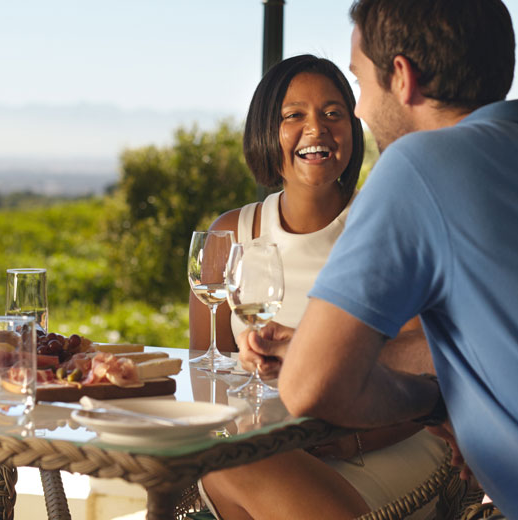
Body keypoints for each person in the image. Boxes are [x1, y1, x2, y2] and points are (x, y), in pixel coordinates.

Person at [248, 0, 518, 520]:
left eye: (359, 84)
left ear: (402, 78)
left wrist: (432, 399)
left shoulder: (422, 163)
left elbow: (309, 387)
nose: (359, 109)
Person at [189, 54, 450, 520]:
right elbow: (206, 375)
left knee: (234, 466)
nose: (317, 129)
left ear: (352, 129)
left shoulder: (388, 225)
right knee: (230, 463)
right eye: (295, 116)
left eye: (333, 114)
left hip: (384, 444)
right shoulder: (230, 234)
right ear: (266, 131)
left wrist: (350, 440)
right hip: (264, 448)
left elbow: (426, 370)